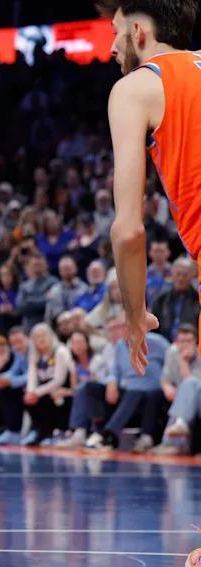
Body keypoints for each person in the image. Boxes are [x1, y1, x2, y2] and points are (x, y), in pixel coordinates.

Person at [100, 0, 200, 375]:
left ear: (138, 33)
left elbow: (128, 231)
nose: (111, 47)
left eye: (116, 32)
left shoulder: (135, 88)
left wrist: (135, 314)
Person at [84, 317, 169, 453]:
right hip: (129, 392)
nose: (122, 330)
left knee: (134, 392)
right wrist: (112, 382)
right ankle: (97, 430)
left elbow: (172, 359)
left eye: (125, 326)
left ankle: (107, 435)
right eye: (119, 327)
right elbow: (115, 371)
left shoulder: (157, 342)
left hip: (152, 391)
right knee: (91, 387)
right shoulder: (119, 346)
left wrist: (168, 382)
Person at [151, 324, 201, 455]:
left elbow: (191, 384)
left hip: (198, 396)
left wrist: (184, 361)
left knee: (189, 385)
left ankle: (170, 443)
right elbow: (165, 378)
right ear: (176, 341)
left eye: (188, 341)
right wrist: (167, 387)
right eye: (181, 341)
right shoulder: (172, 352)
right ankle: (179, 425)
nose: (184, 345)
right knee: (156, 395)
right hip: (181, 396)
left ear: (196, 341)